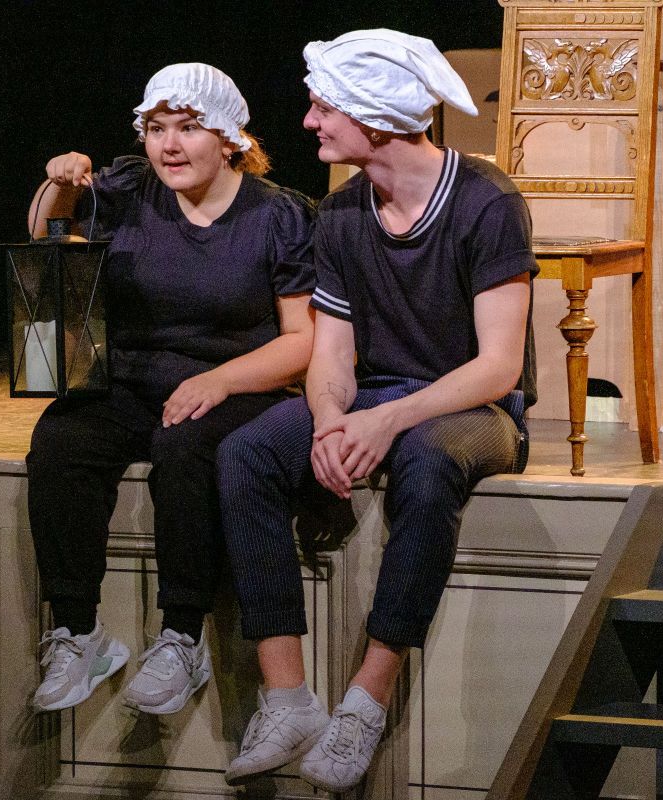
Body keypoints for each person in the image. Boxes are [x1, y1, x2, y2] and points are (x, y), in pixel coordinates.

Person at [217, 29, 538, 792]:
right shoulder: (343, 213)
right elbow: (331, 352)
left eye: (325, 105)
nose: (309, 121)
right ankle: (288, 696)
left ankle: (367, 697)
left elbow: (496, 367)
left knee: (430, 460)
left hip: (475, 408)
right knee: (246, 452)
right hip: (377, 399)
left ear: (377, 115)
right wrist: (330, 421)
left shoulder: (487, 202)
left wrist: (383, 421)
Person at [25, 62, 316, 715]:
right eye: (157, 129)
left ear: (230, 138)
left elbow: (302, 340)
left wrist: (218, 380)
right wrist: (57, 181)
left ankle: (182, 637)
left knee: (185, 446)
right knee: (62, 438)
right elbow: (49, 236)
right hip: (132, 375)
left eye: (189, 128)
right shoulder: (130, 189)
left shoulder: (278, 216)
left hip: (237, 383)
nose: (170, 144)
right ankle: (78, 632)